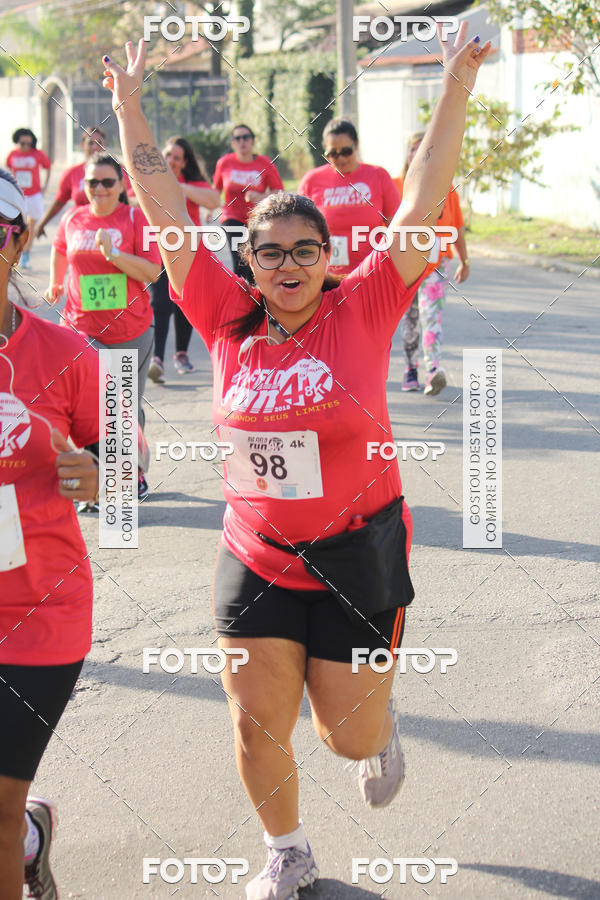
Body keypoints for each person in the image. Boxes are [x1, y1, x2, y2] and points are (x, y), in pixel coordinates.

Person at [103, 25, 490, 899]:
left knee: (342, 737)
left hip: (357, 551)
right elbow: (164, 210)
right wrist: (130, 106)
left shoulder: (366, 305)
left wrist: (457, 82)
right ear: (248, 258)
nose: (286, 264)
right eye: (269, 250)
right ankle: (287, 850)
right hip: (257, 552)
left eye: (304, 250)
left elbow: (422, 198)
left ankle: (378, 728)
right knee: (254, 722)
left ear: (328, 259)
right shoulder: (223, 314)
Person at [0, 169, 100, 900]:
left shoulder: (66, 353)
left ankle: (19, 831)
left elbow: (128, 459)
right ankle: (31, 836)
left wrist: (98, 474)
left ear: (22, 238)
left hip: (39, 612)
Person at [45, 152, 161, 500]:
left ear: (121, 185)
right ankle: (99, 480)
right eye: (92, 181)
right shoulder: (74, 218)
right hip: (81, 330)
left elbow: (153, 272)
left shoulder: (135, 219)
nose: (99, 188)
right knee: (94, 406)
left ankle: (133, 472)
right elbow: (60, 248)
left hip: (130, 331)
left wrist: (115, 257)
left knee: (124, 406)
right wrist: (56, 282)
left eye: (107, 182)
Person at [394, 131, 470, 396]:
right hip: (404, 265)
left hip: (436, 266)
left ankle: (433, 371)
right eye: (413, 148)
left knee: (431, 317)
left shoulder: (447, 190)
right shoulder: (397, 186)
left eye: (424, 149)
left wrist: (464, 259)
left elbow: (457, 228)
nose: (418, 153)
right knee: (411, 319)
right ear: (407, 154)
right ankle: (410, 369)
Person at [147, 136, 220, 384]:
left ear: (184, 161)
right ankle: (157, 359)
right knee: (160, 304)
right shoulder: (152, 180)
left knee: (184, 304)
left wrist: (179, 187)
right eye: (168, 155)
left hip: (189, 252)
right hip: (159, 250)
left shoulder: (193, 183)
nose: (171, 161)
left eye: (176, 158)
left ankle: (181, 353)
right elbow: (132, 200)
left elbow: (213, 200)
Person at [297, 118, 400, 275]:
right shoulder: (312, 180)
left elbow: (396, 223)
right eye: (333, 153)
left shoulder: (378, 175)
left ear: (356, 145)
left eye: (346, 151)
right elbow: (298, 226)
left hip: (372, 272)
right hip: (327, 275)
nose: (341, 158)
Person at [213, 124, 284, 281]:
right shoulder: (224, 163)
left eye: (246, 137)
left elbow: (279, 192)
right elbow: (215, 191)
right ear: (233, 143)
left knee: (257, 259)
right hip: (231, 218)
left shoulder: (264, 163)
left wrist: (260, 196)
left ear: (253, 141)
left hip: (258, 220)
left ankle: (258, 295)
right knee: (241, 261)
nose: (242, 141)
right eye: (237, 138)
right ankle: (242, 297)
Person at [5, 129, 51, 269]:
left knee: (31, 226)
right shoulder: (12, 154)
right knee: (17, 226)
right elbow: (8, 169)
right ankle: (14, 253)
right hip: (18, 195)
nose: (25, 146)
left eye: (28, 143)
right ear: (17, 141)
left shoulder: (37, 154)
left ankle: (26, 253)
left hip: (34, 195)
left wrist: (45, 185)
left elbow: (48, 167)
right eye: (22, 143)